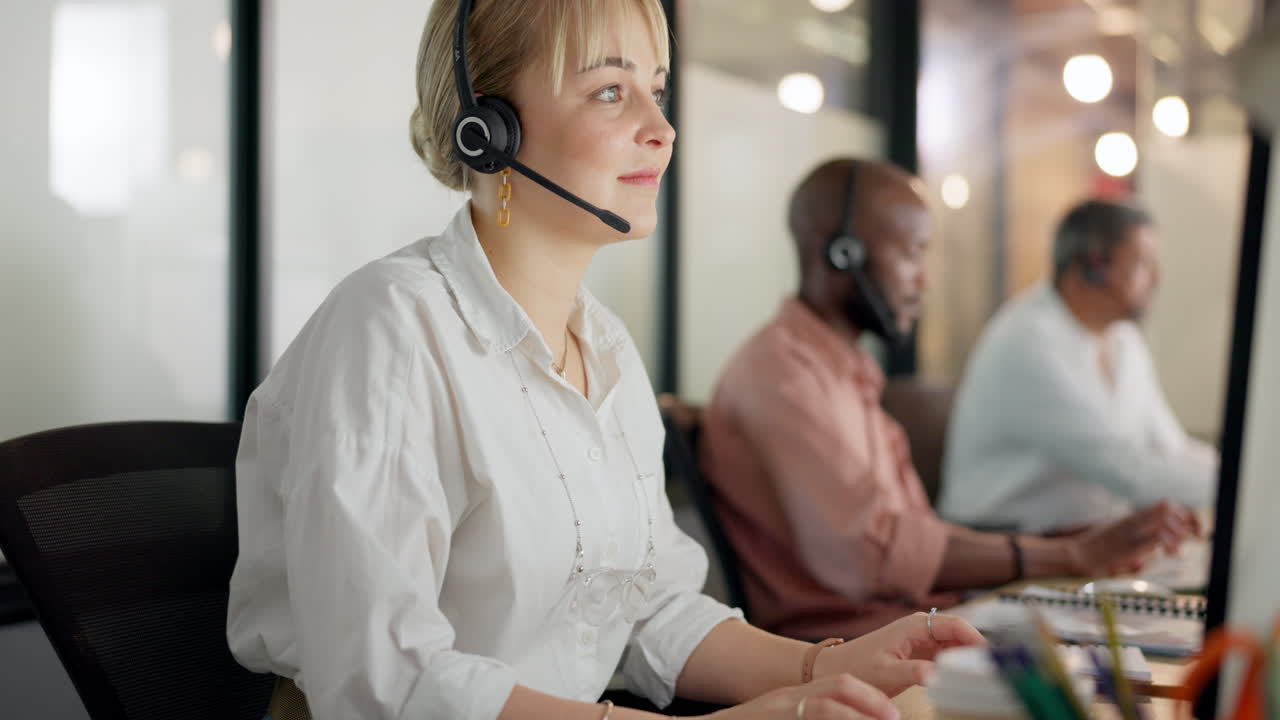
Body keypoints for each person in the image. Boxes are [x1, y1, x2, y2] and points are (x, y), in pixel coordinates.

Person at [225, 3, 986, 720]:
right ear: (488, 128)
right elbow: (385, 684)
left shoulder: (607, 348)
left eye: (656, 91)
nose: (662, 128)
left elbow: (653, 613)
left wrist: (832, 669)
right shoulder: (391, 329)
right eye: (611, 91)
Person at [700, 158, 1200, 642]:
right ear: (843, 253)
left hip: (917, 617)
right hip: (853, 645)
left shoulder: (843, 370)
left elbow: (907, 536)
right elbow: (876, 553)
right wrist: (1069, 556)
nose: (924, 279)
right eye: (912, 253)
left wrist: (1074, 545)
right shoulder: (787, 375)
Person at [939, 199, 1219, 533]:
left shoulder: (1123, 339)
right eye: (1143, 265)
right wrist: (1239, 483)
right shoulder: (1027, 341)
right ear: (1093, 267)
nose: (1157, 279)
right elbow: (1127, 470)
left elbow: (1169, 447)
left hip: (1085, 541)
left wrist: (1246, 471)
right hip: (1005, 549)